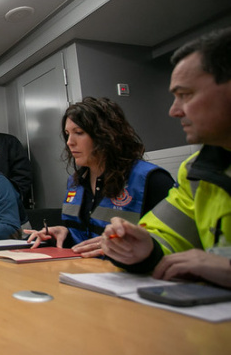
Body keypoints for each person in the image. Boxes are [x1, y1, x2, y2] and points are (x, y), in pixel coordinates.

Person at [101, 28, 231, 288]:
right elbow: (164, 236)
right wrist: (141, 249)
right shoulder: (195, 172)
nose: (174, 111)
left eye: (185, 95)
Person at [25, 97, 175, 257]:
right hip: (83, 272)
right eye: (68, 134)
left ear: (106, 134)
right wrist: (64, 234)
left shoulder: (152, 180)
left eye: (79, 133)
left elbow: (175, 244)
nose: (69, 142)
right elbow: (85, 237)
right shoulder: (75, 182)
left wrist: (121, 247)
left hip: (133, 275)